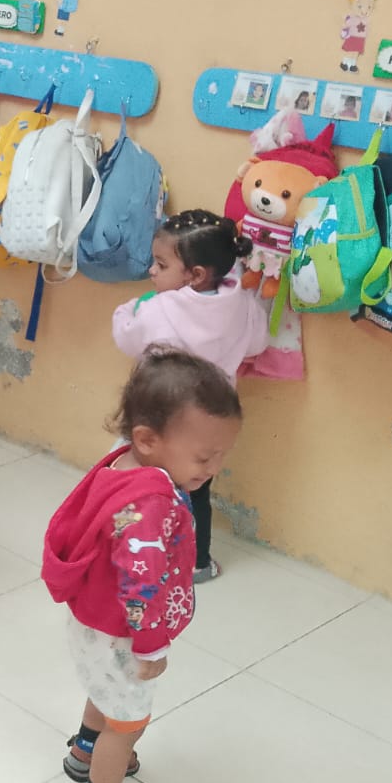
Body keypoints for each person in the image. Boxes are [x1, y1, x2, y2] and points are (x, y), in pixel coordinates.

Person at [42, 348, 244, 783]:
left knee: (106, 689)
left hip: (94, 621)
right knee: (128, 720)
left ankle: (85, 749)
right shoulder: (150, 505)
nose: (214, 468)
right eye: (204, 458)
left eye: (222, 455)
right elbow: (142, 584)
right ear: (148, 439)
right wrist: (151, 645)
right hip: (124, 632)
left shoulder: (122, 462)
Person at [111, 211, 266, 582]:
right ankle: (198, 564)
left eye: (161, 264)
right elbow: (257, 343)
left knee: (139, 487)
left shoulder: (158, 308)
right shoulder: (244, 302)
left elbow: (128, 338)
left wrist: (127, 310)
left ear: (195, 275)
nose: (152, 270)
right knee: (196, 490)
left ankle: (134, 556)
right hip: (211, 424)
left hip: (162, 418)